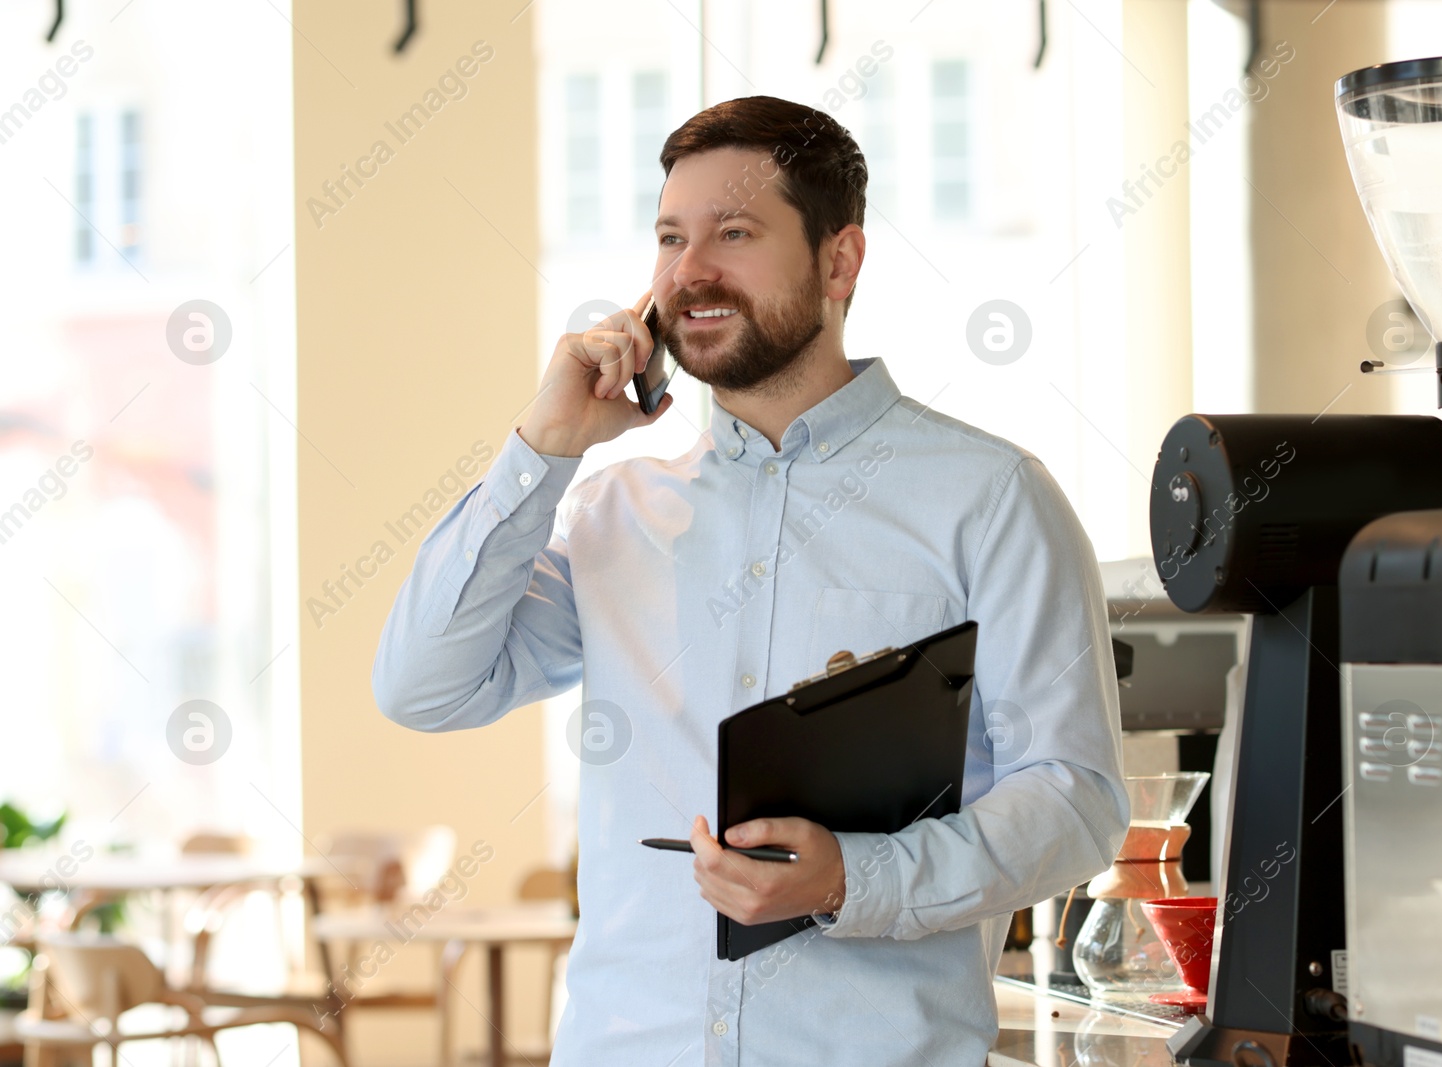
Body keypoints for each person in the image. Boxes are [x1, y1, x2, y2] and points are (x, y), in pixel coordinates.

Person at [372, 94, 1128, 1067]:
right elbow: (424, 685)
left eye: (734, 232)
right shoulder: (613, 514)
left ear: (839, 260)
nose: (690, 271)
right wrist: (543, 446)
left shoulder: (990, 496)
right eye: (669, 238)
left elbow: (1074, 796)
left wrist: (852, 878)